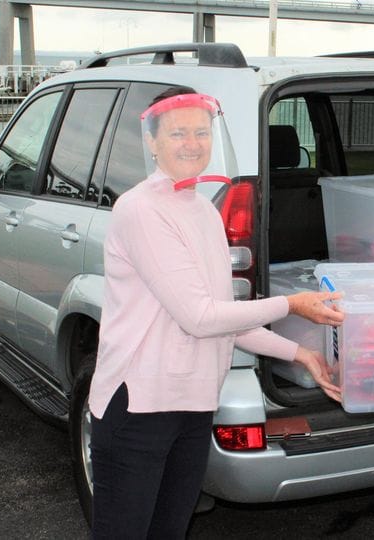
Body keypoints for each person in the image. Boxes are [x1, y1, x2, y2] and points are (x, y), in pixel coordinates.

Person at [88, 87, 344, 539]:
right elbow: (199, 318)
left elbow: (226, 316)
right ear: (152, 141)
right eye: (178, 133)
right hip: (140, 405)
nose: (192, 143)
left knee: (170, 530)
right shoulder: (141, 209)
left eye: (201, 132)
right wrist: (294, 304)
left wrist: (298, 353)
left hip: (193, 402)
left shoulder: (204, 211)